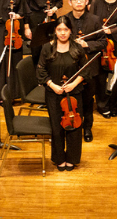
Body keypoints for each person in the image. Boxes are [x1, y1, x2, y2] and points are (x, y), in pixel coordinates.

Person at [36, 16, 90, 171]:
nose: (62, 33)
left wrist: (73, 84)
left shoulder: (77, 48)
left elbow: (85, 70)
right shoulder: (47, 48)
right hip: (53, 93)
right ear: (55, 31)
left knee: (74, 125)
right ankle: (59, 158)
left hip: (74, 93)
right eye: (59, 30)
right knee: (56, 126)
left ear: (70, 30)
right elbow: (40, 70)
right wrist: (52, 85)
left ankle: (72, 158)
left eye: (65, 30)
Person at [61, 0, 106, 141]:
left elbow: (103, 42)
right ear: (69, 2)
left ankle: (87, 128)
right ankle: (72, 126)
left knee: (87, 100)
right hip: (69, 69)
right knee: (71, 100)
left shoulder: (94, 20)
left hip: (90, 68)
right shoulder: (64, 20)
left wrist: (87, 44)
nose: (78, 2)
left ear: (87, 2)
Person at [88, 0, 117, 118]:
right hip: (100, 43)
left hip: (115, 44)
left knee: (116, 75)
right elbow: (90, 20)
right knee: (101, 76)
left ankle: (116, 105)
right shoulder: (96, 2)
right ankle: (102, 105)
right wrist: (101, 31)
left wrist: (111, 31)